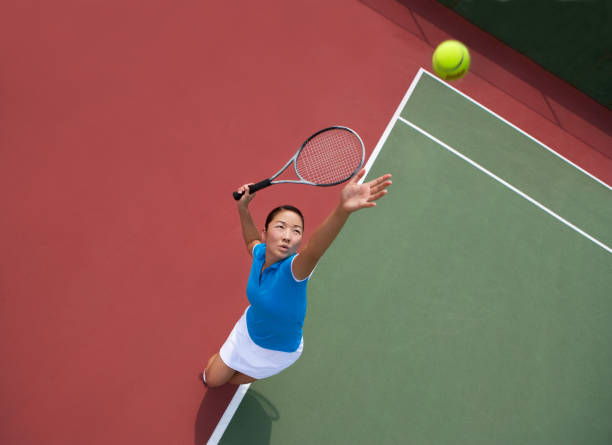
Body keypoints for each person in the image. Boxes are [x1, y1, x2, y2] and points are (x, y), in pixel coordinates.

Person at [203, 168, 392, 387]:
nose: (287, 236)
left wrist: (342, 210)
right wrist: (243, 208)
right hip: (249, 329)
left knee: (228, 382)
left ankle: (239, 367)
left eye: (296, 231)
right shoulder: (260, 253)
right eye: (281, 227)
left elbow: (314, 250)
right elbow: (250, 242)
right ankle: (228, 360)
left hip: (277, 351)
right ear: (266, 233)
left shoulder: (293, 271)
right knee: (211, 380)